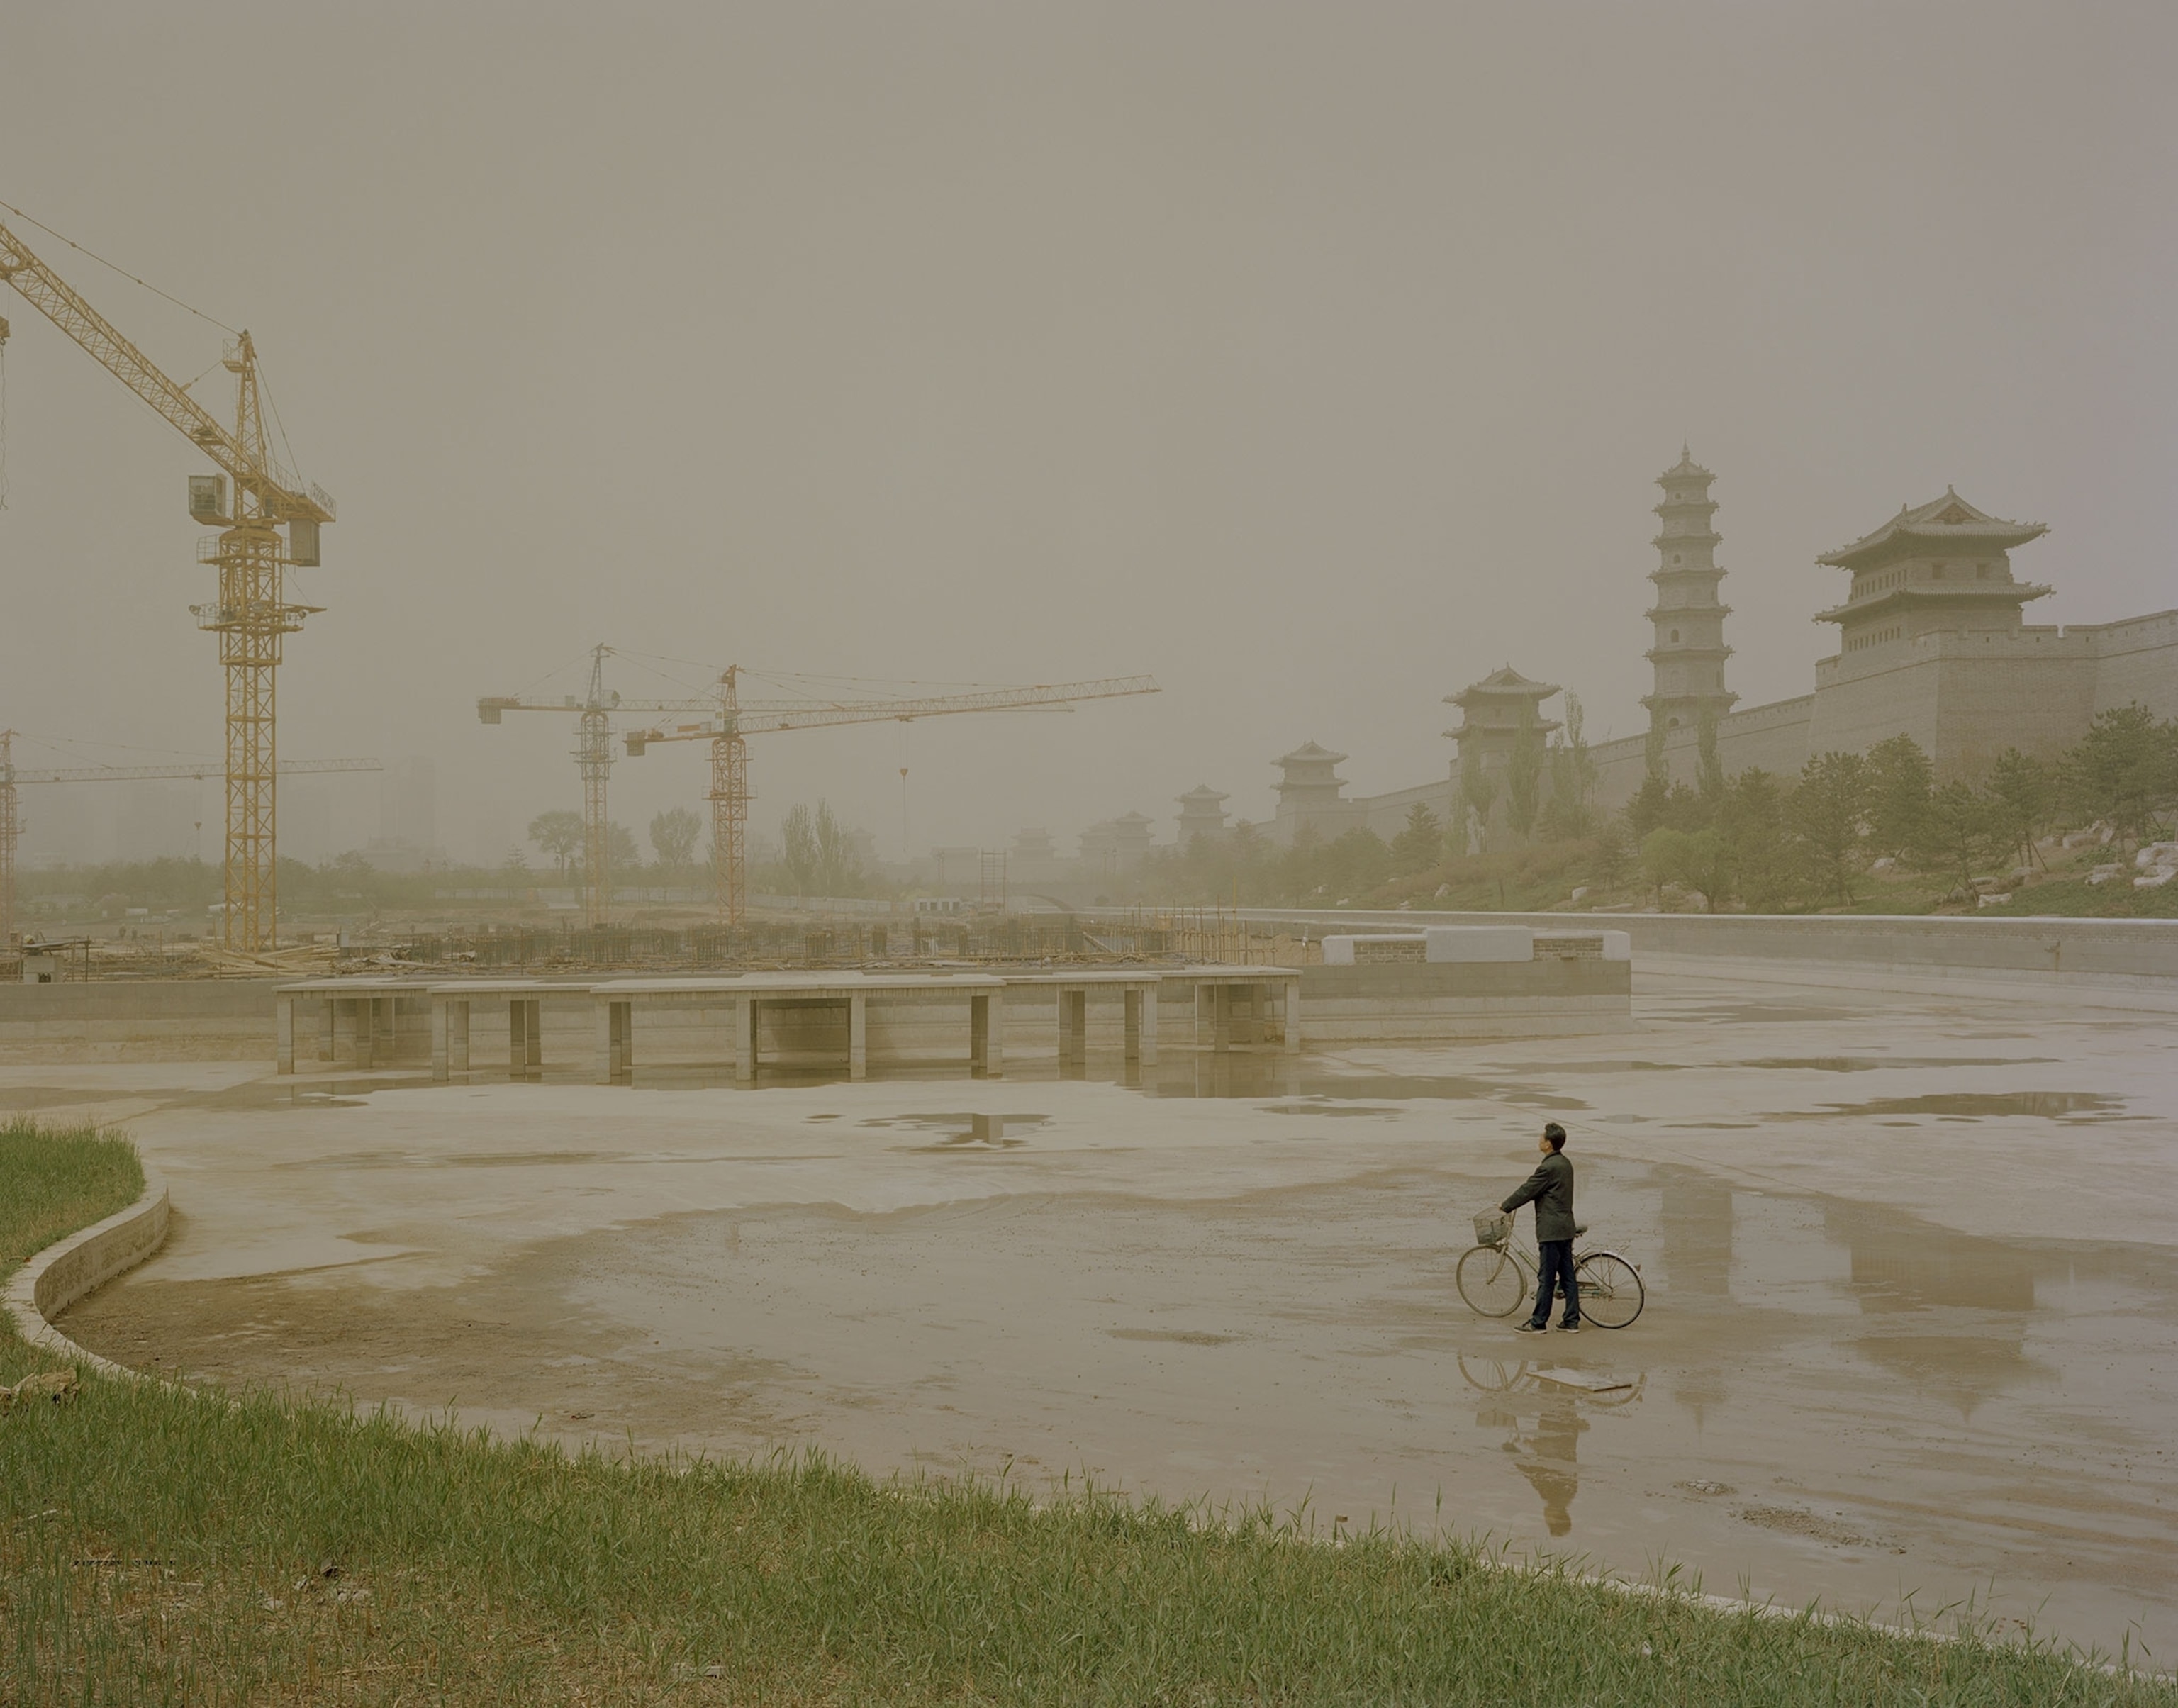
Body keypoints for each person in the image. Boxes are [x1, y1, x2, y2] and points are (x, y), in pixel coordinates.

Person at [1500, 1121, 1578, 1333]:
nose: (1539, 1140)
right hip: (1566, 1227)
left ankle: (1538, 1322)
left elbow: (1528, 1190)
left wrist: (1505, 1206)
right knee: (1568, 1276)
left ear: (1549, 1144)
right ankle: (1571, 1321)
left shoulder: (1547, 1167)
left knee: (1546, 1278)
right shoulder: (1565, 1163)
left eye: (1542, 1138)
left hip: (1551, 1230)